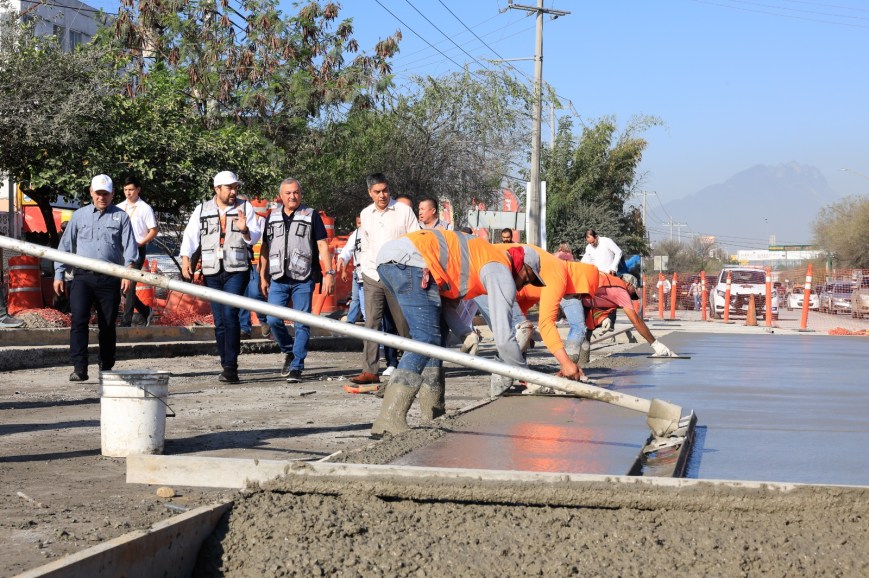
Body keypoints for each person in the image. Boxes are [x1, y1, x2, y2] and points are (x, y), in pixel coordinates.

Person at [371, 229, 546, 436]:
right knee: (425, 338)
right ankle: (388, 418)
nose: (524, 285)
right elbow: (503, 337)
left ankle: (432, 412)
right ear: (522, 265)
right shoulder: (499, 269)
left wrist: (465, 333)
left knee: (435, 337)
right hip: (412, 261)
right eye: (528, 278)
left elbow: (445, 307)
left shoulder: (479, 259)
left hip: (392, 260)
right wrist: (527, 376)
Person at [53, 175, 138, 381]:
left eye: (106, 194)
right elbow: (65, 247)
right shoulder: (79, 216)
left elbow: (130, 248)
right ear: (91, 192)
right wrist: (58, 274)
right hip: (82, 277)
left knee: (107, 324)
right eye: (98, 193)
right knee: (79, 321)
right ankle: (79, 367)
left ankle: (106, 365)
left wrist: (128, 273)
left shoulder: (121, 217)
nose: (102, 197)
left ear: (112, 194)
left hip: (110, 279)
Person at [180, 171, 261, 384]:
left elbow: (255, 237)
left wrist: (245, 231)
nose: (234, 191)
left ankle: (231, 366)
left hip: (236, 269)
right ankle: (225, 362)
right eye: (229, 187)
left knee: (230, 314)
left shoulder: (246, 208)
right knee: (219, 320)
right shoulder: (202, 209)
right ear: (217, 189)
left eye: (235, 187)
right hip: (212, 269)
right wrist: (186, 258)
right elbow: (190, 236)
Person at [348, 173, 420, 386]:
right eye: (377, 192)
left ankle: (412, 366)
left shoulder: (403, 211)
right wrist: (364, 268)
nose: (382, 195)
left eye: (385, 190)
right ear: (370, 193)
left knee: (403, 323)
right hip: (372, 275)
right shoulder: (366, 214)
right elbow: (366, 243)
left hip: (398, 275)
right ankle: (369, 370)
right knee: (371, 323)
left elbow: (416, 240)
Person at [259, 178, 334, 382]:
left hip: (303, 277)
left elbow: (322, 246)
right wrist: (262, 276)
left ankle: (297, 366)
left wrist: (329, 273)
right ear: (281, 196)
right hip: (278, 278)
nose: (293, 196)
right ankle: (289, 350)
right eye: (288, 193)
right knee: (273, 319)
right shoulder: (271, 217)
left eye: (296, 193)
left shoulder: (311, 216)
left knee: (302, 322)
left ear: (301, 194)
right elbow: (265, 248)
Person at [585, 273, 679, 357]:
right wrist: (656, 345)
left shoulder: (610, 284)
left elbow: (594, 303)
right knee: (579, 332)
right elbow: (636, 322)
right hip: (577, 293)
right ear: (629, 284)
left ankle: (582, 362)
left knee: (584, 332)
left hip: (580, 295)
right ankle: (574, 365)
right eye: (633, 292)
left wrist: (603, 318)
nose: (630, 296)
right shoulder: (621, 291)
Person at [115, 176, 158, 327]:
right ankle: (146, 311)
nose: (128, 193)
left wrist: (142, 242)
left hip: (137, 249)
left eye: (131, 189)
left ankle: (126, 321)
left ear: (138, 190)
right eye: (126, 190)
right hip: (120, 250)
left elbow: (154, 230)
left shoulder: (145, 208)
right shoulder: (119, 207)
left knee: (130, 284)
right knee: (122, 287)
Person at [237, 193, 269, 339]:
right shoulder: (232, 221)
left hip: (255, 263)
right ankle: (244, 328)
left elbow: (264, 245)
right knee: (242, 295)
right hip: (239, 264)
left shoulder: (261, 222)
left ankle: (265, 321)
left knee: (255, 293)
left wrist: (262, 267)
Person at [337, 214, 365, 324]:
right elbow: (348, 250)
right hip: (357, 272)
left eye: (362, 222)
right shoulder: (356, 234)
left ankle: (369, 324)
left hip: (367, 272)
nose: (360, 225)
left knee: (365, 303)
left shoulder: (372, 233)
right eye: (358, 223)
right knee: (355, 298)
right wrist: (342, 259)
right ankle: (350, 320)